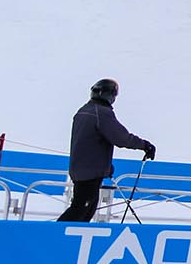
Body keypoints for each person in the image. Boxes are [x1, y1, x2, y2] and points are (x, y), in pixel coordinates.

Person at [58, 78, 155, 222]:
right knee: (80, 210)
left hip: (80, 169)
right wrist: (144, 145)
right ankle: (54, 237)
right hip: (89, 172)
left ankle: (65, 238)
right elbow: (121, 137)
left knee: (84, 209)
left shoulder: (84, 110)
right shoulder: (101, 113)